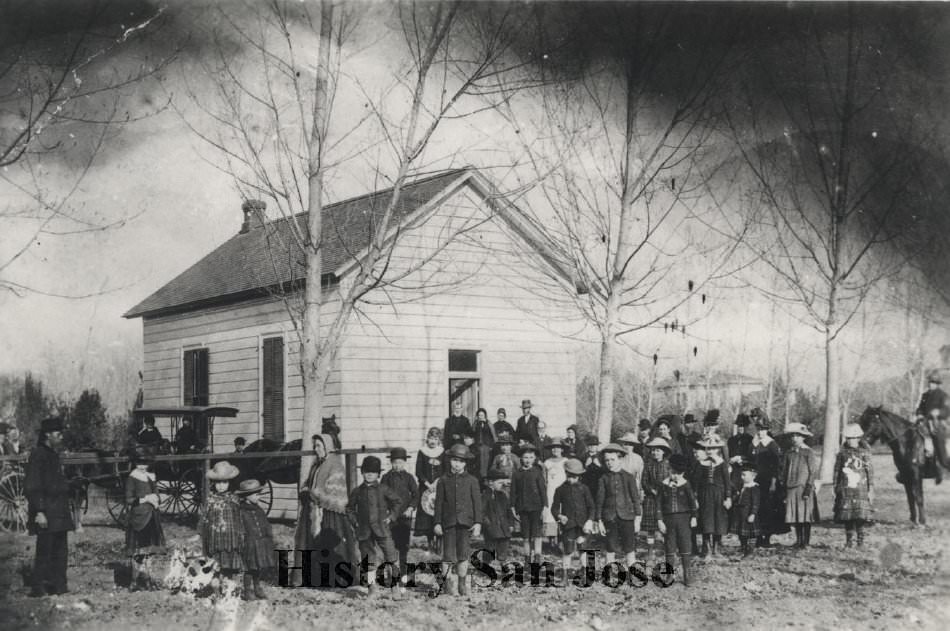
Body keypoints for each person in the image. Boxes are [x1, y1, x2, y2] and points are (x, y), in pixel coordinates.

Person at [295, 434, 358, 587]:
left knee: (332, 544)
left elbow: (334, 492)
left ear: (327, 447)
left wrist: (313, 494)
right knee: (308, 542)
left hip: (331, 512)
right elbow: (309, 483)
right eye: (315, 446)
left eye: (319, 446)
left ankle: (336, 578)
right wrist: (305, 491)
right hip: (313, 510)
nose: (317, 450)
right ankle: (312, 577)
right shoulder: (316, 464)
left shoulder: (335, 464)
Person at [25, 417, 74, 596]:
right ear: (47, 435)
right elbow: (33, 486)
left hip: (59, 511)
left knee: (60, 551)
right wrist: (39, 511)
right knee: (45, 551)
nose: (61, 437)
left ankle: (58, 586)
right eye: (58, 433)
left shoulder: (53, 455)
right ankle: (38, 588)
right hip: (47, 512)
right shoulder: (38, 454)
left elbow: (56, 482)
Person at [347, 456, 404, 596]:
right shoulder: (357, 491)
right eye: (367, 471)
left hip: (382, 529)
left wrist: (391, 517)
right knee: (368, 559)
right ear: (362, 473)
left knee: (391, 555)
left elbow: (398, 501)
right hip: (364, 530)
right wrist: (355, 522)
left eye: (373, 472)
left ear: (378, 474)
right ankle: (372, 588)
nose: (370, 474)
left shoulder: (384, 489)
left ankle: (395, 586)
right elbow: (349, 509)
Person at [433, 444, 482, 597]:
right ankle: (447, 584)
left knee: (463, 555)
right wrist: (437, 522)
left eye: (461, 461)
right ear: (449, 461)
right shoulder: (443, 480)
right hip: (448, 523)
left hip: (465, 523)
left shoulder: (472, 481)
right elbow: (438, 503)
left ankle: (462, 584)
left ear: (465, 463)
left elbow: (477, 503)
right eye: (454, 460)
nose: (457, 464)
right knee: (448, 556)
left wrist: (478, 522)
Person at [595, 443, 642, 569]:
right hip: (610, 517)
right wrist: (599, 520)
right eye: (607, 460)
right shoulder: (603, 478)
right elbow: (599, 501)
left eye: (612, 459)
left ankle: (632, 571)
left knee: (629, 546)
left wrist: (637, 518)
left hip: (627, 516)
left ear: (620, 459)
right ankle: (609, 572)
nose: (609, 463)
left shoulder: (628, 477)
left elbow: (635, 499)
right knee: (610, 546)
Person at [198, 461, 245, 585]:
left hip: (230, 538)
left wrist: (241, 535)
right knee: (215, 566)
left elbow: (239, 518)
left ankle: (228, 588)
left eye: (224, 482)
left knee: (228, 566)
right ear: (213, 483)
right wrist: (200, 533)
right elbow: (204, 517)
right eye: (218, 482)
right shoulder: (210, 499)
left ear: (229, 483)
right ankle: (216, 589)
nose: (221, 486)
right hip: (214, 539)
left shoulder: (234, 499)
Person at [125, 446, 164, 591]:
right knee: (138, 552)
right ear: (135, 463)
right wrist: (145, 498)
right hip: (138, 519)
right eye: (139, 463)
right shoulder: (132, 477)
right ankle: (134, 581)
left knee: (147, 552)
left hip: (151, 517)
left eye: (145, 463)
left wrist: (156, 499)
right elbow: (129, 499)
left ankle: (147, 579)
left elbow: (157, 493)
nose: (142, 466)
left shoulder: (151, 476)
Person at [657, 454, 699, 587]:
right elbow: (658, 504)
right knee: (669, 547)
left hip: (684, 520)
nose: (674, 476)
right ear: (668, 470)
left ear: (683, 473)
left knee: (685, 546)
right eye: (672, 472)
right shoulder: (663, 485)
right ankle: (669, 575)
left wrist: (694, 517)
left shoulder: (686, 485)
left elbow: (693, 503)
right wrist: (659, 520)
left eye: (677, 473)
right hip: (668, 520)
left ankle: (688, 575)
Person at [552, 458, 595, 584]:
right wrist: (559, 516)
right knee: (568, 550)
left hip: (582, 524)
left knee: (583, 548)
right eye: (570, 476)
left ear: (580, 476)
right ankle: (565, 576)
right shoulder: (560, 489)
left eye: (575, 477)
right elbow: (554, 508)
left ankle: (584, 573)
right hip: (569, 525)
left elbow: (591, 506)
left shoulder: (584, 489)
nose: (572, 479)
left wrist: (590, 520)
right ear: (566, 474)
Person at [833, 424, 874, 549]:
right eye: (848, 438)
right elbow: (836, 471)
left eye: (853, 438)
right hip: (845, 488)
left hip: (861, 488)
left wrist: (871, 487)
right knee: (848, 516)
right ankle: (849, 540)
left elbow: (870, 471)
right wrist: (835, 486)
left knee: (860, 515)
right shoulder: (842, 454)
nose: (851, 440)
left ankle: (860, 541)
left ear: (858, 438)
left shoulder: (864, 453)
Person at [382, 447, 418, 578]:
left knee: (403, 546)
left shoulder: (409, 478)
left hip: (404, 516)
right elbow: (382, 495)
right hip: (391, 517)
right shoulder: (386, 477)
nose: (398, 465)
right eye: (395, 462)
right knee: (390, 545)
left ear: (405, 463)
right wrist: (386, 510)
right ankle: (391, 573)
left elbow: (416, 494)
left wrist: (410, 508)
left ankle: (403, 572)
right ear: (391, 463)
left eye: (400, 463)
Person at [782, 423, 819, 549]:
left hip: (803, 487)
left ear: (803, 437)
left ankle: (806, 542)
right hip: (792, 487)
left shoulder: (808, 452)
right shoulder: (789, 453)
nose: (794, 438)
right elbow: (785, 471)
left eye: (797, 436)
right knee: (796, 515)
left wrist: (808, 488)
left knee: (805, 516)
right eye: (792, 436)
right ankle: (799, 540)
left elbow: (813, 472)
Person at [236, 479, 275, 600]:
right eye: (256, 494)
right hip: (249, 544)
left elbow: (265, 524)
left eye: (259, 493)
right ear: (247, 497)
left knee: (258, 566)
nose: (258, 496)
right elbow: (239, 528)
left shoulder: (259, 510)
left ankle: (257, 587)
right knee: (249, 568)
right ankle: (248, 591)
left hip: (260, 543)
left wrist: (268, 537)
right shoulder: (241, 511)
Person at [695, 434, 731, 559]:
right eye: (708, 448)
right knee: (706, 521)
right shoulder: (701, 463)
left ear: (718, 449)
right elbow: (696, 482)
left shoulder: (722, 463)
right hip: (705, 495)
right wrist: (695, 498)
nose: (710, 451)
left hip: (719, 495)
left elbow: (727, 482)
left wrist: (728, 497)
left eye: (713, 448)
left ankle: (716, 549)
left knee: (718, 521)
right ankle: (707, 549)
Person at [510, 443, 547, 563]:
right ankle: (527, 558)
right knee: (526, 536)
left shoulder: (537, 472)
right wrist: (512, 507)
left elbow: (542, 490)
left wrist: (545, 506)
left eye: (531, 457)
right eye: (525, 457)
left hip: (536, 507)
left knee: (536, 534)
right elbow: (513, 491)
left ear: (535, 458)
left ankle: (537, 557)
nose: (528, 460)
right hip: (523, 507)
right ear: (521, 458)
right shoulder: (517, 473)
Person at [751, 417, 784, 547]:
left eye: (763, 430)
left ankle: (767, 537)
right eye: (758, 429)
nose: (760, 432)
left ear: (767, 430)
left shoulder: (772, 444)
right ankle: (758, 536)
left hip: (768, 481)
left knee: (768, 509)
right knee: (757, 508)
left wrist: (774, 482)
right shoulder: (754, 443)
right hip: (756, 481)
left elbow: (777, 466)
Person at [641, 437, 672, 566]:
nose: (655, 453)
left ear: (663, 451)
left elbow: (672, 480)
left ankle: (667, 551)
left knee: (666, 525)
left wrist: (665, 491)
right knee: (651, 528)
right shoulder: (648, 465)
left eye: (658, 450)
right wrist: (651, 490)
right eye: (653, 450)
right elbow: (644, 481)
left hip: (665, 499)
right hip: (651, 499)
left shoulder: (668, 465)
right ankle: (650, 552)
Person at [414, 427, 446, 553]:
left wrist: (437, 482)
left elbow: (445, 470)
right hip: (425, 487)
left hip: (439, 487)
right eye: (431, 438)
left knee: (439, 512)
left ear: (439, 440)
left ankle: (440, 542)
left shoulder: (443, 452)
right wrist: (427, 483)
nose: (433, 441)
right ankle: (430, 542)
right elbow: (418, 471)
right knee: (427, 514)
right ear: (427, 439)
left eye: (436, 439)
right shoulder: (422, 452)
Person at [481, 468, 513, 563]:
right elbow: (481, 512)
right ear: (491, 482)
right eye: (499, 483)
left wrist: (510, 524)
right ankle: (486, 567)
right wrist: (488, 524)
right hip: (492, 528)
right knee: (489, 548)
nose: (502, 485)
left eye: (503, 483)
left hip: (504, 528)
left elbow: (509, 511)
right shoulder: (485, 495)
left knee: (503, 547)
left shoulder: (502, 495)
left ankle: (502, 567)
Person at [730, 461, 760, 559]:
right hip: (740, 514)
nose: (742, 477)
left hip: (748, 514)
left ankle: (750, 551)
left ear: (753, 476)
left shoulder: (754, 488)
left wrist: (753, 514)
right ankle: (744, 548)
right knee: (741, 533)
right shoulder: (742, 487)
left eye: (744, 475)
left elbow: (755, 502)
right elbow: (737, 497)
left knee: (751, 533)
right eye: (741, 475)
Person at [543, 439, 568, 544]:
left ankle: (563, 539)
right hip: (551, 490)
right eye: (553, 447)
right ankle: (552, 540)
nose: (555, 449)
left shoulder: (566, 461)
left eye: (558, 447)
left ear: (562, 449)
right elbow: (544, 478)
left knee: (563, 510)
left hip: (563, 490)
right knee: (550, 512)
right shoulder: (547, 462)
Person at [471, 407, 496, 482]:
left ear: (485, 415)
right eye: (479, 415)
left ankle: (485, 477)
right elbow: (472, 432)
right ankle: (479, 478)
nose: (480, 416)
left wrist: (492, 445)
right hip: (477, 446)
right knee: (478, 463)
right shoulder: (475, 423)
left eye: (482, 415)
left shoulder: (488, 423)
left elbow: (493, 434)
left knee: (486, 462)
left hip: (486, 446)